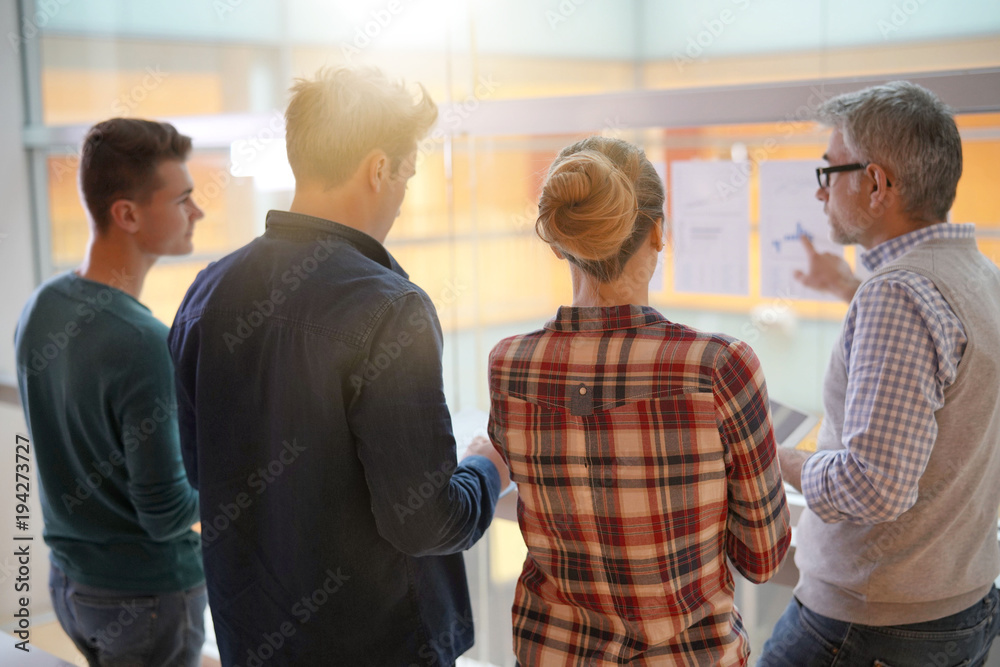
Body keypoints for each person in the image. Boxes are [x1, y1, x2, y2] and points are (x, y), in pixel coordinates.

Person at [167, 67, 509, 666]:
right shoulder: (388, 308)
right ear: (379, 169)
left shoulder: (206, 293)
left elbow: (202, 471)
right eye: (406, 173)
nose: (403, 195)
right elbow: (426, 523)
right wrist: (487, 466)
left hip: (252, 639)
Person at [487, 136, 791, 666]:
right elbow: (763, 560)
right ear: (657, 232)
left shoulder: (510, 365)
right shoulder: (719, 366)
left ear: (560, 242)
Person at [760, 81, 1000, 665]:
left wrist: (772, 455)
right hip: (959, 604)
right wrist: (847, 286)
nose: (821, 194)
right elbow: (940, 358)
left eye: (828, 172)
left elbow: (875, 486)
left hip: (868, 625)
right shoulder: (979, 275)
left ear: (876, 183)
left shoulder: (898, 295)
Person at [14, 118, 206, 666]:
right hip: (147, 598)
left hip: (71, 589)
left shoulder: (41, 307)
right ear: (127, 213)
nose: (199, 211)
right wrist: (243, 465)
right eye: (185, 199)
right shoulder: (144, 342)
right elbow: (167, 513)